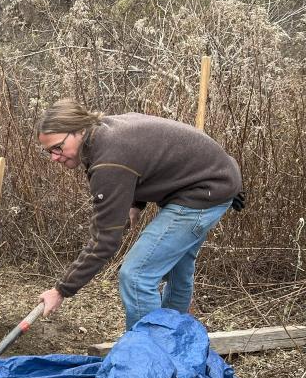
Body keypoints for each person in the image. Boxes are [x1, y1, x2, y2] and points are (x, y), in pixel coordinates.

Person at [35, 98, 243, 330]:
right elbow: (148, 157)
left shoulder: (108, 161)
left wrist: (61, 290)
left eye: (57, 147)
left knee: (136, 277)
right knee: (177, 271)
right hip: (217, 179)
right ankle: (170, 342)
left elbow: (104, 242)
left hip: (203, 192)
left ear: (79, 130)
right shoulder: (105, 131)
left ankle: (148, 357)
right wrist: (135, 203)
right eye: (48, 152)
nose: (54, 157)